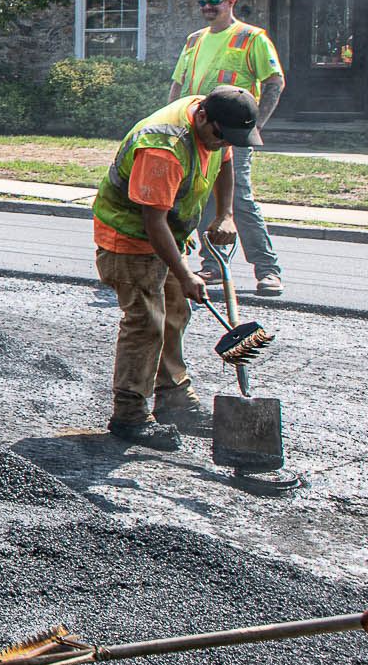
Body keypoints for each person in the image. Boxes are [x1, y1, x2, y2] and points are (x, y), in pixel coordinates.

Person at [92, 85, 259, 451]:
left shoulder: (216, 126)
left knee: (175, 315)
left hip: (169, 236)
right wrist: (185, 273)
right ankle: (130, 414)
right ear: (202, 118)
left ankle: (174, 398)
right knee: (146, 322)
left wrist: (226, 215)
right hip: (130, 240)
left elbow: (224, 163)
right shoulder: (164, 148)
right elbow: (153, 222)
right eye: (220, 136)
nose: (221, 144)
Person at [171, 0, 286, 296]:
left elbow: (274, 82)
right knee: (203, 196)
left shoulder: (252, 38)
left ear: (231, 2)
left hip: (232, 133)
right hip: (197, 130)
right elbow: (178, 86)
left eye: (215, 2)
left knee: (238, 199)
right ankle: (214, 265)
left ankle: (267, 270)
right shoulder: (194, 40)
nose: (208, 8)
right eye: (203, 3)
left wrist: (255, 126)